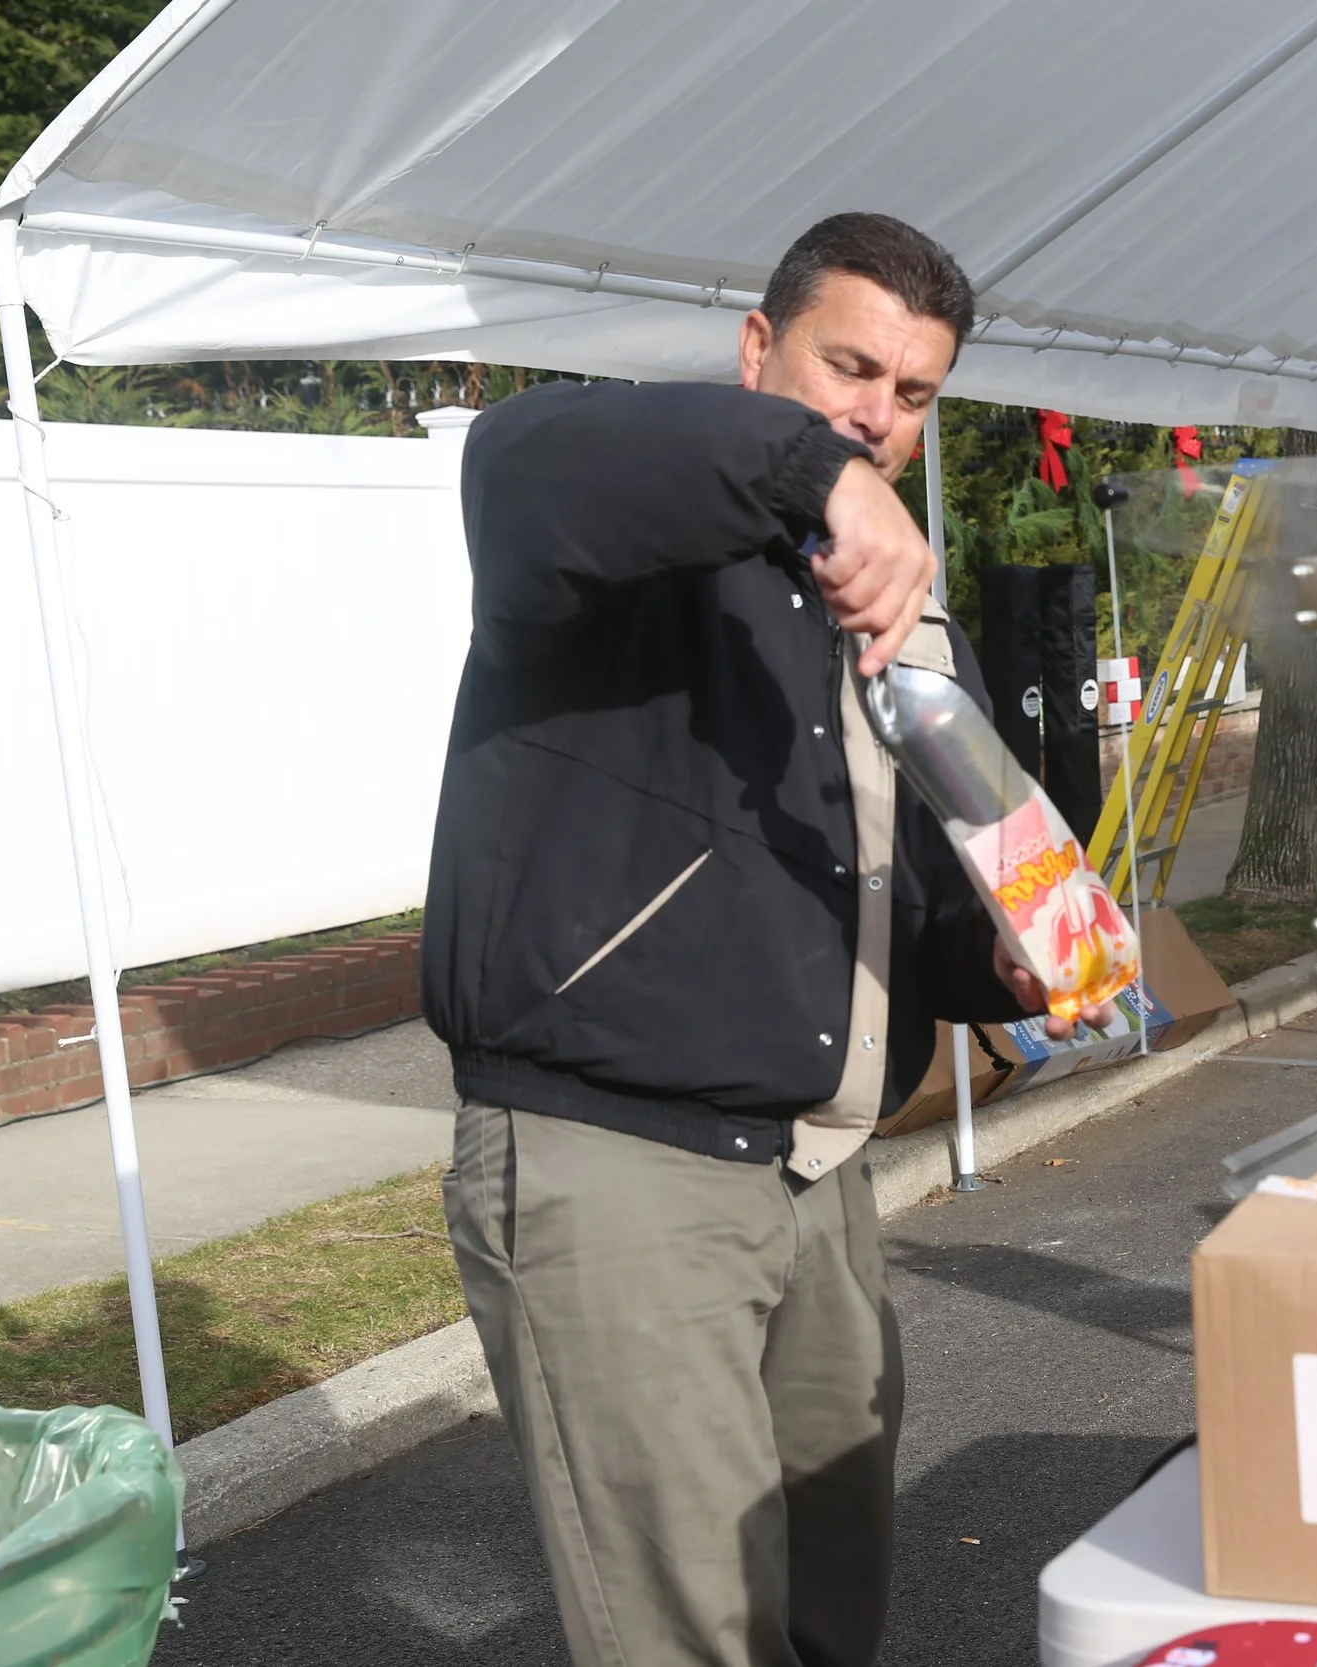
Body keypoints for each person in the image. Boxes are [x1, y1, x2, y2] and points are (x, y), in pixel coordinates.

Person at [421, 212, 1112, 1667]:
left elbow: (914, 899)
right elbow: (522, 455)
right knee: (693, 1627)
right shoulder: (623, 546)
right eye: (848, 367)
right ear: (756, 348)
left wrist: (993, 959)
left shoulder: (912, 623)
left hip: (817, 1171)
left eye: (913, 393)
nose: (879, 415)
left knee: (827, 1596)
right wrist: (813, 473)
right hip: (620, 1159)